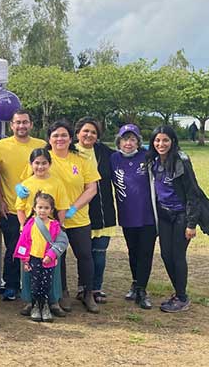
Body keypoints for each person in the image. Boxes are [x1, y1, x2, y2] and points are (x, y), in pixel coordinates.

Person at [146, 125, 209, 313]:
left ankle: (181, 297)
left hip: (181, 216)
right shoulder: (153, 161)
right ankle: (179, 291)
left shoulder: (181, 161)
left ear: (173, 141)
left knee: (178, 256)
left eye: (165, 140)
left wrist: (191, 224)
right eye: (157, 140)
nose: (161, 144)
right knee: (166, 255)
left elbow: (193, 194)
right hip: (164, 215)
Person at [38, 120, 100, 313]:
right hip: (53, 220)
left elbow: (91, 188)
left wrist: (73, 208)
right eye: (55, 135)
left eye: (64, 135)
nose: (60, 139)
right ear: (49, 139)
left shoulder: (80, 160)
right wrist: (20, 189)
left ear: (71, 138)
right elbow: (30, 180)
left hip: (78, 218)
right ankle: (62, 292)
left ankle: (87, 292)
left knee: (85, 255)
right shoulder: (44, 159)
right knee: (58, 257)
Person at [0, 109, 46, 301]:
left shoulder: (42, 145)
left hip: (39, 211)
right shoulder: (0, 146)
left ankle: (36, 284)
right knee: (14, 249)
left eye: (25, 122)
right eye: (18, 122)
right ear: (11, 125)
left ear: (31, 124)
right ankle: (11, 285)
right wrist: (0, 202)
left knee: (38, 250)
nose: (21, 126)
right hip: (11, 208)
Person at [14, 148, 70, 317]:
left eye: (44, 163)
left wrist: (58, 228)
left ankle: (53, 301)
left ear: (50, 164)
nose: (40, 166)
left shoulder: (57, 183)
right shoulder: (26, 184)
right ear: (31, 164)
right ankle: (30, 301)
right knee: (29, 267)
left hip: (50, 233)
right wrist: (24, 227)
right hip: (31, 233)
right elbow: (20, 208)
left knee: (51, 268)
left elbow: (62, 207)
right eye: (36, 163)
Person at [110, 124, 156, 310]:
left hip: (147, 215)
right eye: (124, 139)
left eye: (132, 139)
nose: (128, 143)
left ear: (138, 142)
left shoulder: (147, 156)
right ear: (119, 141)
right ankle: (136, 283)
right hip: (127, 215)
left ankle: (142, 290)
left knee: (145, 253)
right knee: (133, 251)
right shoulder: (113, 158)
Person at [74, 117, 116, 304]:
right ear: (77, 133)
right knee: (84, 254)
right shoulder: (69, 151)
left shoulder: (106, 153)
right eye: (85, 131)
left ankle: (95, 288)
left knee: (99, 254)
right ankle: (82, 287)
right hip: (76, 211)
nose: (89, 135)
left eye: (93, 132)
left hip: (102, 210)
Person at [13, 192, 69, 323]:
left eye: (46, 208)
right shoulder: (30, 224)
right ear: (34, 208)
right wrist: (25, 260)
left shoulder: (55, 225)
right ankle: (35, 307)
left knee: (46, 284)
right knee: (34, 285)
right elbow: (23, 243)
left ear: (51, 210)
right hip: (33, 260)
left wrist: (51, 255)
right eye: (40, 207)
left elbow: (62, 241)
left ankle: (45, 307)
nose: (43, 210)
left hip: (48, 261)